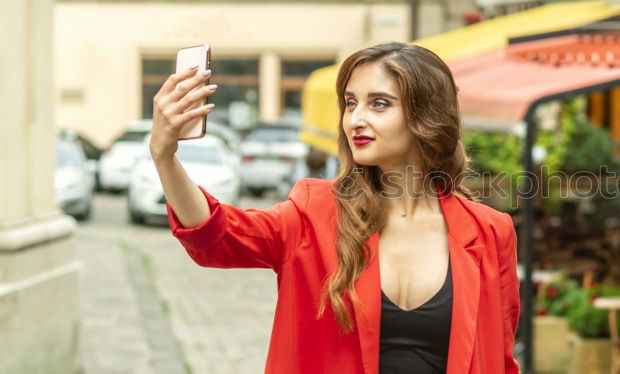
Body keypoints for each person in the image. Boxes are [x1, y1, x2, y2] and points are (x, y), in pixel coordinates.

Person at [149, 42, 520, 373]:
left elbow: (500, 360)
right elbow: (219, 235)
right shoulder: (313, 211)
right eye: (351, 103)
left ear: (426, 116)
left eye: (379, 104)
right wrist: (165, 157)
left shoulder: (491, 231)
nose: (355, 119)